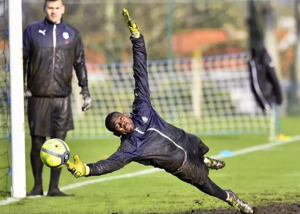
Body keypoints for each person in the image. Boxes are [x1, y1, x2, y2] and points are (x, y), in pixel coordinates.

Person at [66, 9, 253, 214]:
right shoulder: (130, 147)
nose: (121, 123)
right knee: (207, 184)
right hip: (182, 165)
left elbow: (140, 73)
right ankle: (231, 198)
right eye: (117, 126)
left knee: (201, 145)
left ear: (125, 114)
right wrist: (87, 170)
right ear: (117, 133)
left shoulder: (142, 108)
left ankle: (205, 158)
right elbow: (110, 164)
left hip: (186, 140)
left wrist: (137, 40)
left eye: (120, 118)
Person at [23, 0, 92, 197]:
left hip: (62, 98)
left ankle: (54, 187)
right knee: (37, 143)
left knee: (59, 144)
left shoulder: (72, 33)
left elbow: (80, 62)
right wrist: (22, 86)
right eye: (50, 8)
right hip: (38, 97)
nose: (53, 12)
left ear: (63, 9)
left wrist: (85, 90)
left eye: (57, 8)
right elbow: (22, 59)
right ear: (45, 9)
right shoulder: (32, 31)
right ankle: (37, 186)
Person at [248, 45, 283, 113]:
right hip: (265, 99)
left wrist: (278, 96)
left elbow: (273, 78)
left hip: (269, 97)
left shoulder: (265, 58)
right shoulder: (255, 60)